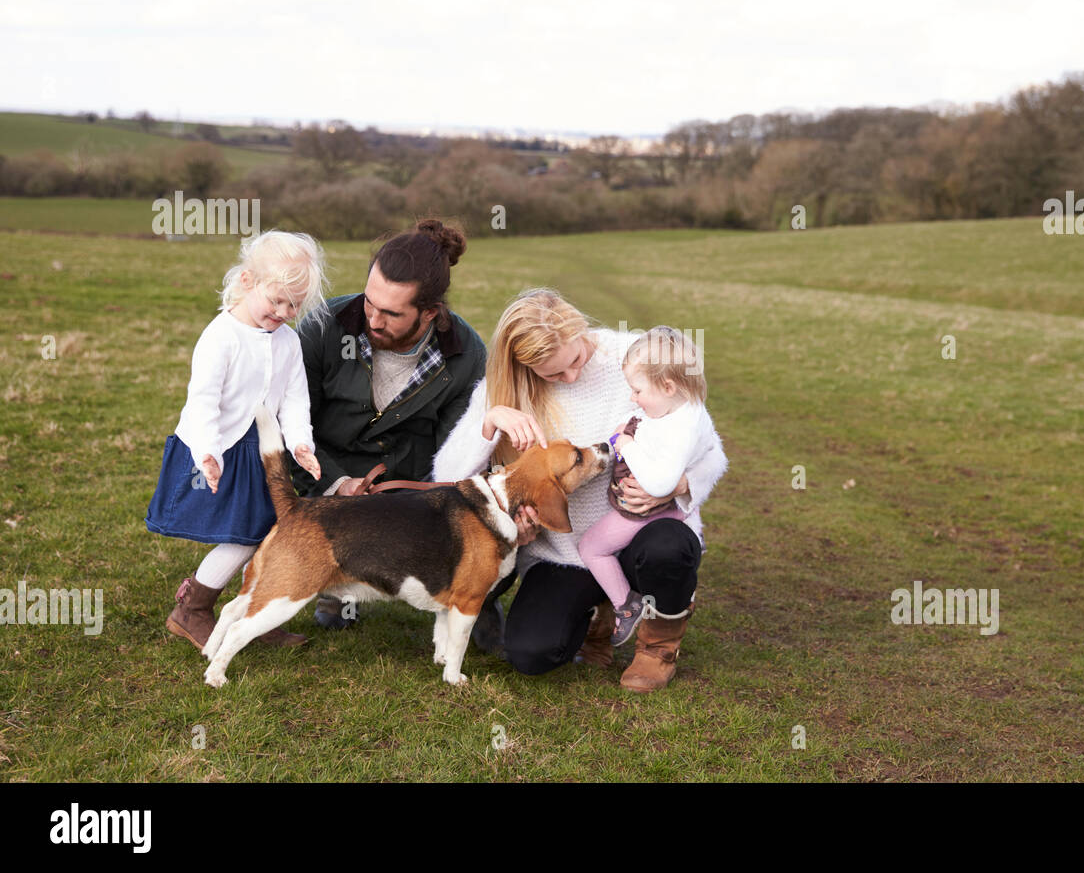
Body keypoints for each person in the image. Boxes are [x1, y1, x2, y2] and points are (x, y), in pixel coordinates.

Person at [432, 289, 727, 692]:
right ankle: (598, 619)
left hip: (641, 533)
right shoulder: (501, 389)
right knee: (532, 654)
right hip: (564, 552)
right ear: (523, 365)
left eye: (574, 360)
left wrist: (678, 485)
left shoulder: (636, 359)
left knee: (668, 548)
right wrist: (489, 422)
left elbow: (711, 449)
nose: (570, 377)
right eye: (552, 374)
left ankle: (657, 647)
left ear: (580, 329)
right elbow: (445, 479)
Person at [290, 218, 488, 631]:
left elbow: (457, 456)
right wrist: (337, 482)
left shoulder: (467, 355)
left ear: (430, 312)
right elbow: (292, 426)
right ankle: (329, 582)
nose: (373, 320)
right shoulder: (321, 326)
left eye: (392, 313)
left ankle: (474, 595)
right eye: (369, 303)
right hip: (321, 480)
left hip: (409, 498)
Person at [148, 229, 327, 651]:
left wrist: (301, 443)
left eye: (294, 305)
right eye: (276, 300)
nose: (283, 312)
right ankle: (191, 609)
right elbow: (203, 401)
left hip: (264, 453)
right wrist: (207, 453)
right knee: (246, 535)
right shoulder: (221, 336)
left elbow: (296, 397)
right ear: (248, 281)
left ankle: (256, 612)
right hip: (223, 449)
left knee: (270, 532)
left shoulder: (287, 341)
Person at [578, 326, 717, 647]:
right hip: (670, 514)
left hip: (639, 513)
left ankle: (625, 605)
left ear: (668, 386)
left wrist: (625, 444)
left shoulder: (680, 430)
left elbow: (660, 482)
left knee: (592, 547)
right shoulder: (684, 410)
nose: (632, 398)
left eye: (637, 391)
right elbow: (653, 424)